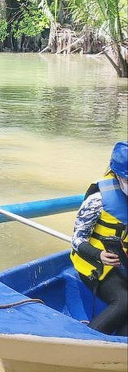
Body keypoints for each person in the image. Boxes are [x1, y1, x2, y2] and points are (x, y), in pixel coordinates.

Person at [70, 141, 128, 336]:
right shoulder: (97, 200)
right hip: (95, 264)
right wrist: (99, 255)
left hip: (124, 263)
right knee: (124, 301)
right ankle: (87, 343)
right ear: (118, 175)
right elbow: (77, 240)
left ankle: (118, 349)